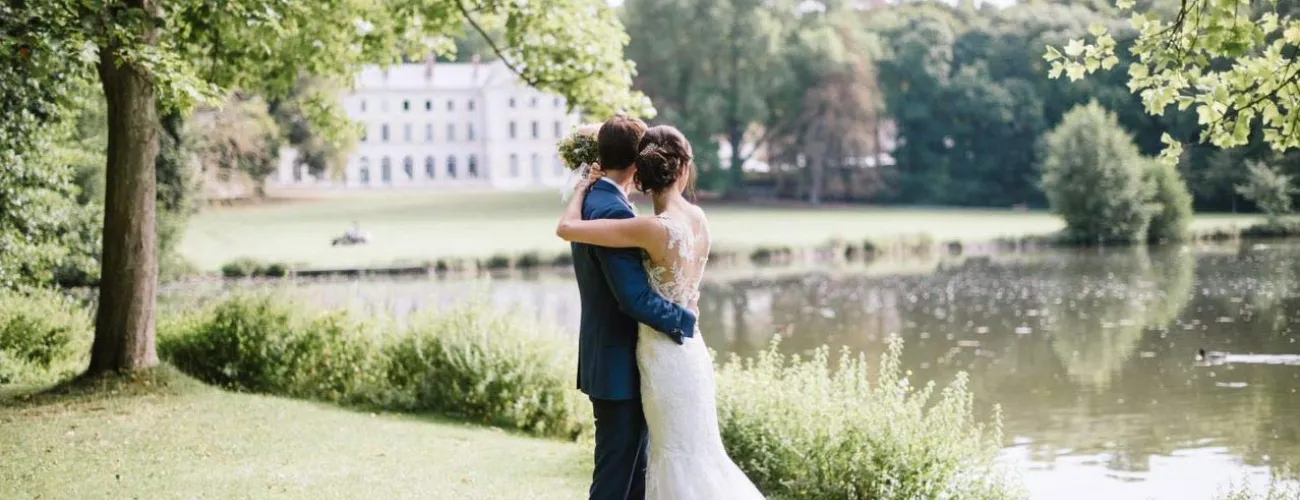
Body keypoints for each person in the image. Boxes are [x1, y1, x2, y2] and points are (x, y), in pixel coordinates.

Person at [557, 124, 764, 499]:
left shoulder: (638, 222)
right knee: (681, 460)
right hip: (683, 351)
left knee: (662, 463)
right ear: (681, 168)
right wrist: (687, 318)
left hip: (658, 355)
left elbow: (567, 228)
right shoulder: (694, 218)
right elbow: (639, 298)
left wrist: (581, 188)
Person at [561, 116, 698, 500]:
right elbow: (633, 298)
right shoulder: (613, 211)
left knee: (633, 477)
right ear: (638, 160)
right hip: (617, 364)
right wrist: (686, 320)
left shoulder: (595, 198)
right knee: (615, 479)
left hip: (610, 358)